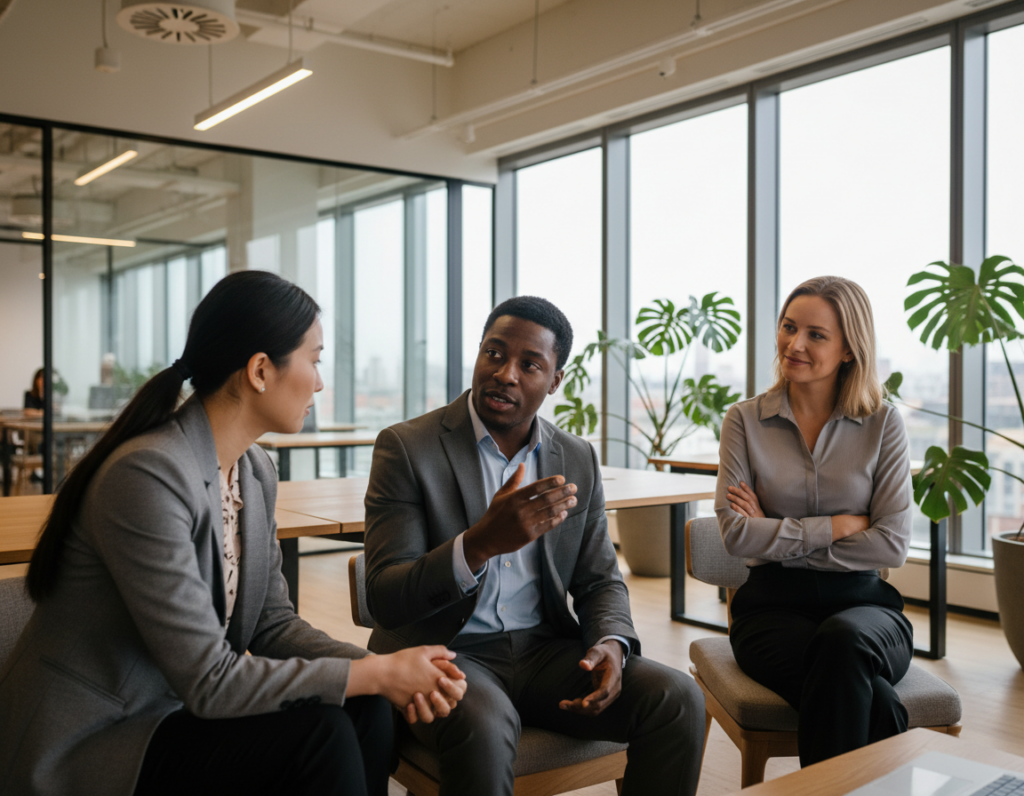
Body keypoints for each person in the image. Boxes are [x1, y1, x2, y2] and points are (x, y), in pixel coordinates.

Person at [0, 271, 467, 796]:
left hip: (170, 713)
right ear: (261, 371)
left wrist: (382, 671)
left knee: (366, 710)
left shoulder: (253, 471)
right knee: (321, 735)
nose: (319, 382)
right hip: (95, 739)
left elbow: (271, 624)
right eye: (314, 360)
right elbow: (208, 681)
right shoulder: (148, 475)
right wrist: (379, 674)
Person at [363, 295, 706, 796]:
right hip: (445, 650)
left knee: (677, 697)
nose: (506, 373)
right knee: (483, 721)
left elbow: (600, 580)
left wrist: (611, 642)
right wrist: (479, 544)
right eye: (495, 354)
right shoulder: (408, 448)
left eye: (530, 364)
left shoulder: (577, 458)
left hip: (544, 652)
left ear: (555, 381)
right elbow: (385, 596)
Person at [716, 275, 913, 767]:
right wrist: (841, 525)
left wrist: (776, 534)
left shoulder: (884, 424)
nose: (794, 344)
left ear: (849, 349)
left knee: (842, 640)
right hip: (770, 614)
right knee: (878, 700)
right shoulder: (743, 421)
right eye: (788, 327)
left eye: (816, 335)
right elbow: (737, 536)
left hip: (868, 610)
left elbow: (891, 546)